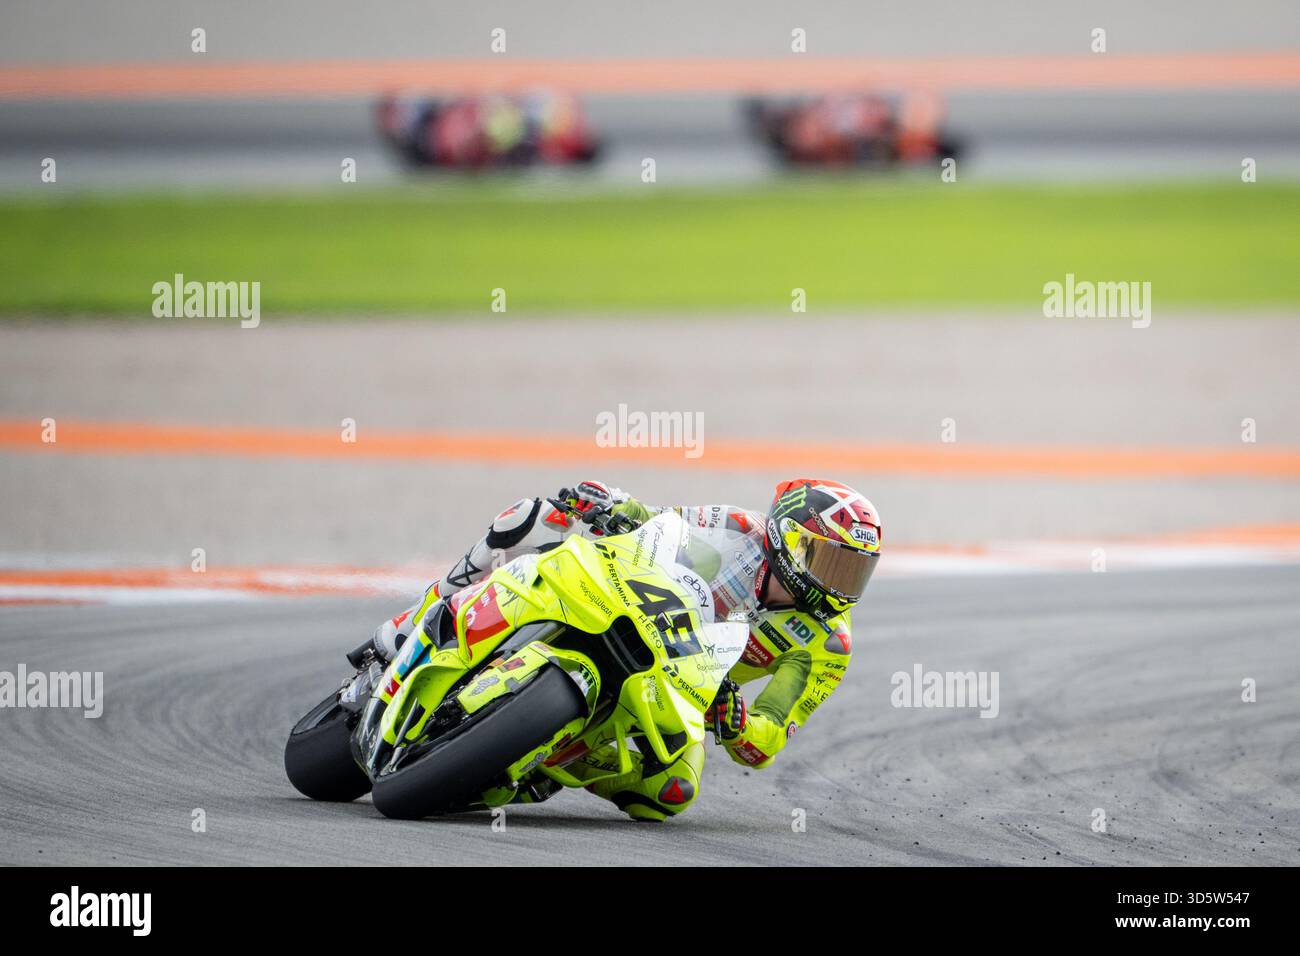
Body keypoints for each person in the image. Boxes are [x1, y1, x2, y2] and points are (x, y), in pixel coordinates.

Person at [365, 478, 881, 821]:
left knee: (672, 792)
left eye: (855, 569)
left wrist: (736, 718)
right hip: (629, 602)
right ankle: (411, 625)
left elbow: (767, 741)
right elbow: (660, 522)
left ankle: (554, 764)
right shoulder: (739, 528)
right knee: (532, 517)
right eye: (833, 561)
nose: (841, 582)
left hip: (679, 682)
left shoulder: (828, 642)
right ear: (788, 539)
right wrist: (612, 505)